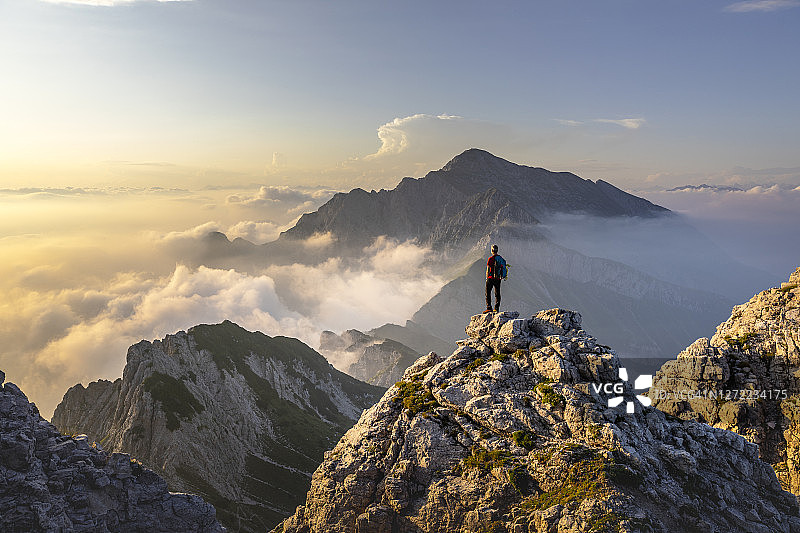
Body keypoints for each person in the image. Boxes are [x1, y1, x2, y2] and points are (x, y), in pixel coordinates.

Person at [484, 244, 506, 313]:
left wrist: (487, 278)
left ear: (492, 251)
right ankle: (496, 308)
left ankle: (489, 307)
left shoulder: (490, 259)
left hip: (490, 278)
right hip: (498, 279)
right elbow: (504, 267)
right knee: (497, 293)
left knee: (488, 292)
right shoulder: (501, 259)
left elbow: (488, 269)